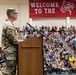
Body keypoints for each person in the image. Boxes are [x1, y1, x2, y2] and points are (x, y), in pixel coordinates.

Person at [1, 8, 18, 75]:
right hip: (10, 52)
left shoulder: (10, 24)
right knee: (9, 72)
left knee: (11, 71)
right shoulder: (9, 25)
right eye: (15, 13)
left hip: (11, 52)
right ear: (11, 14)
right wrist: (23, 42)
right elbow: (13, 40)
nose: (17, 15)